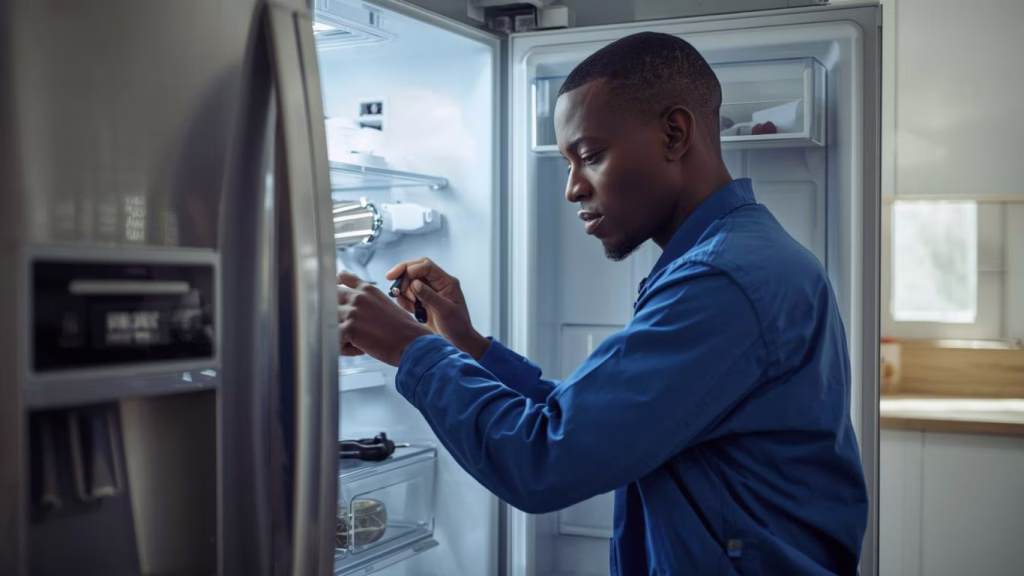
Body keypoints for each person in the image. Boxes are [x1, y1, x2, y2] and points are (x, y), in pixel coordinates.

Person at [336, 31, 868, 575]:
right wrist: (465, 344)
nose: (572, 188)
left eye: (589, 156)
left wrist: (410, 347)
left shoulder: (721, 279)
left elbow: (544, 460)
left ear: (674, 133)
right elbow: (598, 424)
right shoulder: (735, 257)